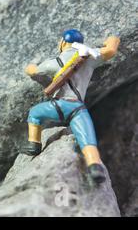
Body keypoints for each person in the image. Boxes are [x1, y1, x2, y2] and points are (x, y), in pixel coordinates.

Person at [22, 29, 120, 183]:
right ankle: (95, 167)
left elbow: (34, 71)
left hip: (59, 106)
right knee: (87, 139)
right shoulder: (89, 57)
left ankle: (34, 144)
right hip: (78, 108)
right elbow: (111, 50)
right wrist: (113, 37)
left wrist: (29, 67)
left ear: (63, 42)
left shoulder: (55, 62)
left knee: (34, 113)